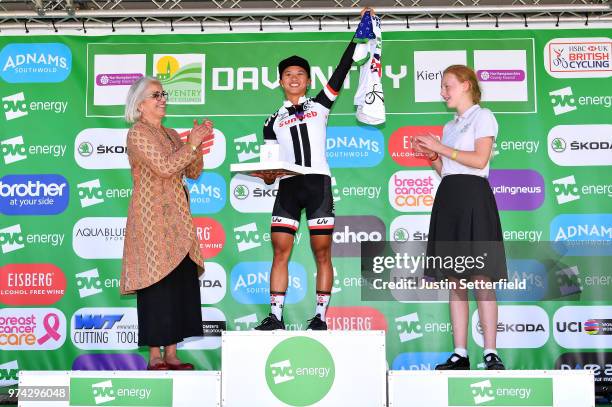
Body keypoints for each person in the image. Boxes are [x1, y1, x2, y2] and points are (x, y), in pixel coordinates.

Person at [252, 8, 374, 331]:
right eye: (288, 75)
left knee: (322, 252)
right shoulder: (271, 121)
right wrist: (266, 175)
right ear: (280, 81)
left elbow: (342, 70)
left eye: (300, 75)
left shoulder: (320, 104)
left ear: (307, 80)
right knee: (280, 251)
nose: (294, 79)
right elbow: (270, 166)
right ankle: (275, 317)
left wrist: (357, 37)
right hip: (288, 188)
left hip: (318, 184)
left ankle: (321, 316)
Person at [414, 65, 507, 370]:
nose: (443, 92)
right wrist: (433, 156)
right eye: (442, 87)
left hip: (475, 199)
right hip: (450, 198)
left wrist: (442, 148)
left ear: (466, 85)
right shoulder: (449, 126)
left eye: (447, 86)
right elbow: (448, 171)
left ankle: (491, 352)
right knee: (455, 279)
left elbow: (479, 161)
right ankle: (460, 353)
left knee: (481, 277)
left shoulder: (484, 116)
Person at [120, 76, 214, 370]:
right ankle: (154, 357)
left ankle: (172, 354)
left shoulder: (173, 134)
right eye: (155, 95)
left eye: (163, 93)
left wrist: (193, 144)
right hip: (151, 222)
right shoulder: (137, 133)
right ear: (139, 105)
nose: (162, 98)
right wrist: (192, 145)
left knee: (178, 285)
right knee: (156, 286)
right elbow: (163, 167)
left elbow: (194, 170)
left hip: (178, 220)